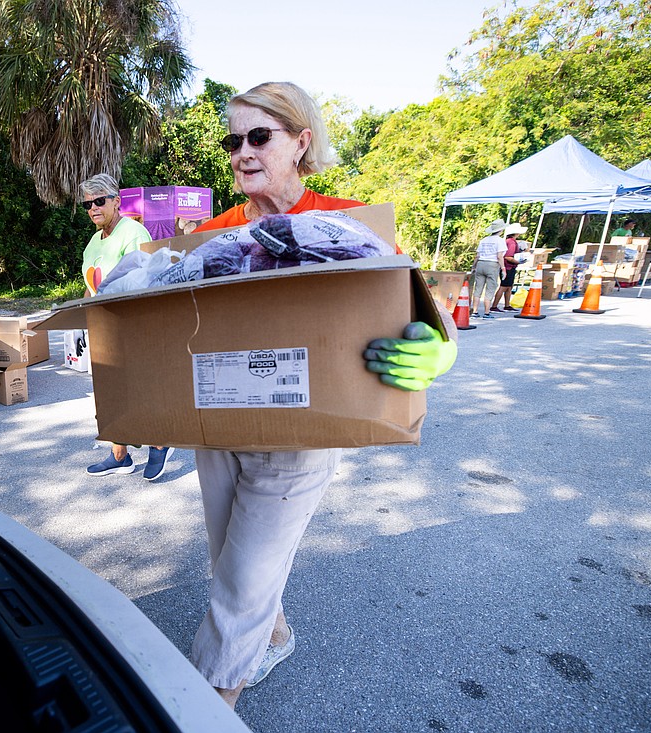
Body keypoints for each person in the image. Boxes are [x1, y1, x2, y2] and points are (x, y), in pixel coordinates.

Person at [188, 81, 457, 711]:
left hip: (303, 433)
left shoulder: (347, 219)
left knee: (242, 582)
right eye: (234, 140)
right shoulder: (212, 233)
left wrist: (440, 350)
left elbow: (419, 306)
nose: (242, 152)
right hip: (217, 422)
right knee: (228, 557)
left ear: (301, 141)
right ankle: (274, 635)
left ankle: (202, 707)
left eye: (260, 136)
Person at [78, 173, 175, 481]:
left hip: (133, 326)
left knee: (141, 388)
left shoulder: (133, 232)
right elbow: (91, 284)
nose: (93, 208)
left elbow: (146, 278)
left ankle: (159, 442)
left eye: (99, 201)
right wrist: (83, 321)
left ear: (116, 201)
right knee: (111, 393)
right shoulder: (95, 241)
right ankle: (120, 456)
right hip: (104, 326)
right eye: (87, 204)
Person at [471, 220, 508, 319]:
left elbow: (477, 256)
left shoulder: (484, 240)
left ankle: (475, 311)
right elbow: (500, 256)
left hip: (481, 263)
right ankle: (487, 312)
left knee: (478, 288)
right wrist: (503, 268)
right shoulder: (500, 241)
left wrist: (474, 266)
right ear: (501, 230)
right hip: (492, 264)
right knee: (490, 288)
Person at [490, 222, 526, 312]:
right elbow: (508, 256)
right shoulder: (512, 243)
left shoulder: (508, 241)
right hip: (508, 266)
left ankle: (507, 304)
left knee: (509, 287)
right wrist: (518, 261)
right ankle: (494, 306)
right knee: (504, 286)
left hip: (507, 266)